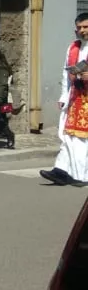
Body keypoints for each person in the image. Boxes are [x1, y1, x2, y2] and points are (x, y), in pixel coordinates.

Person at [40, 12, 88, 187]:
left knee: (83, 140)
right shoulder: (73, 47)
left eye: (85, 27)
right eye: (79, 27)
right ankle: (61, 170)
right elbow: (65, 73)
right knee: (68, 136)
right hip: (75, 97)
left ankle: (81, 175)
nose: (82, 31)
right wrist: (63, 95)